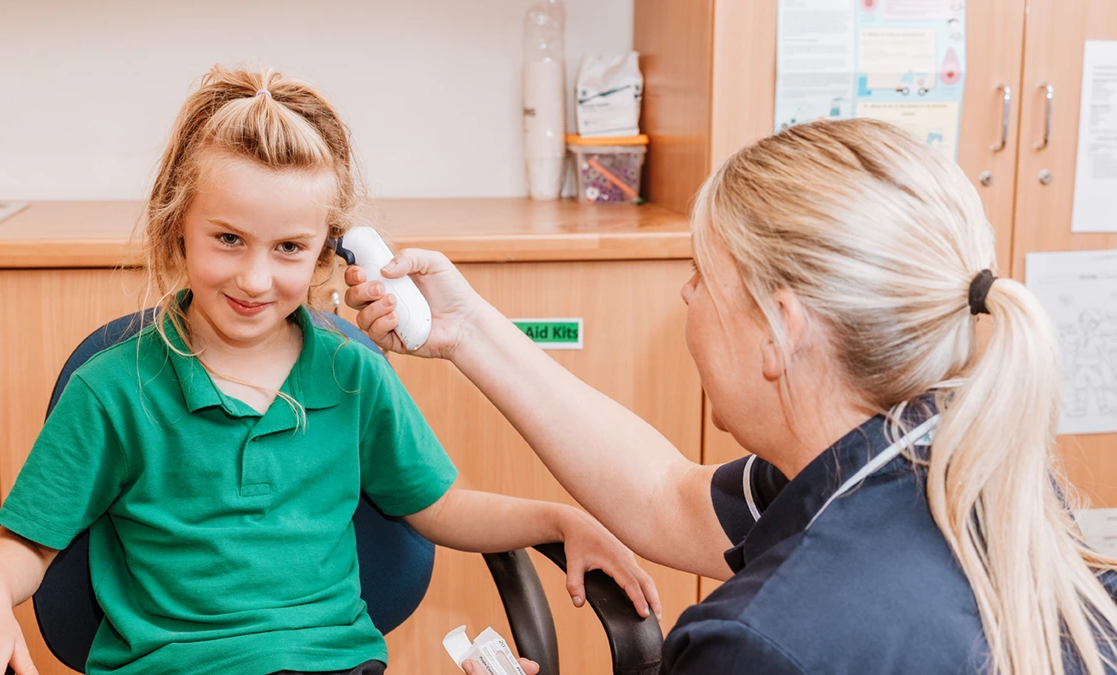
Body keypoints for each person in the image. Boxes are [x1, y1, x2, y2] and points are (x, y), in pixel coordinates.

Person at [0, 66, 661, 675]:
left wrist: (562, 518)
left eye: (288, 248)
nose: (254, 276)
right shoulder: (114, 390)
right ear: (176, 225)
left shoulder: (351, 374)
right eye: (228, 238)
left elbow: (437, 505)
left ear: (327, 251)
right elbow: (21, 543)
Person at [345, 118, 1117, 674]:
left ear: (779, 332)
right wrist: (469, 328)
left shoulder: (759, 643)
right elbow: (665, 496)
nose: (684, 295)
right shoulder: (957, 461)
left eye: (701, 277)